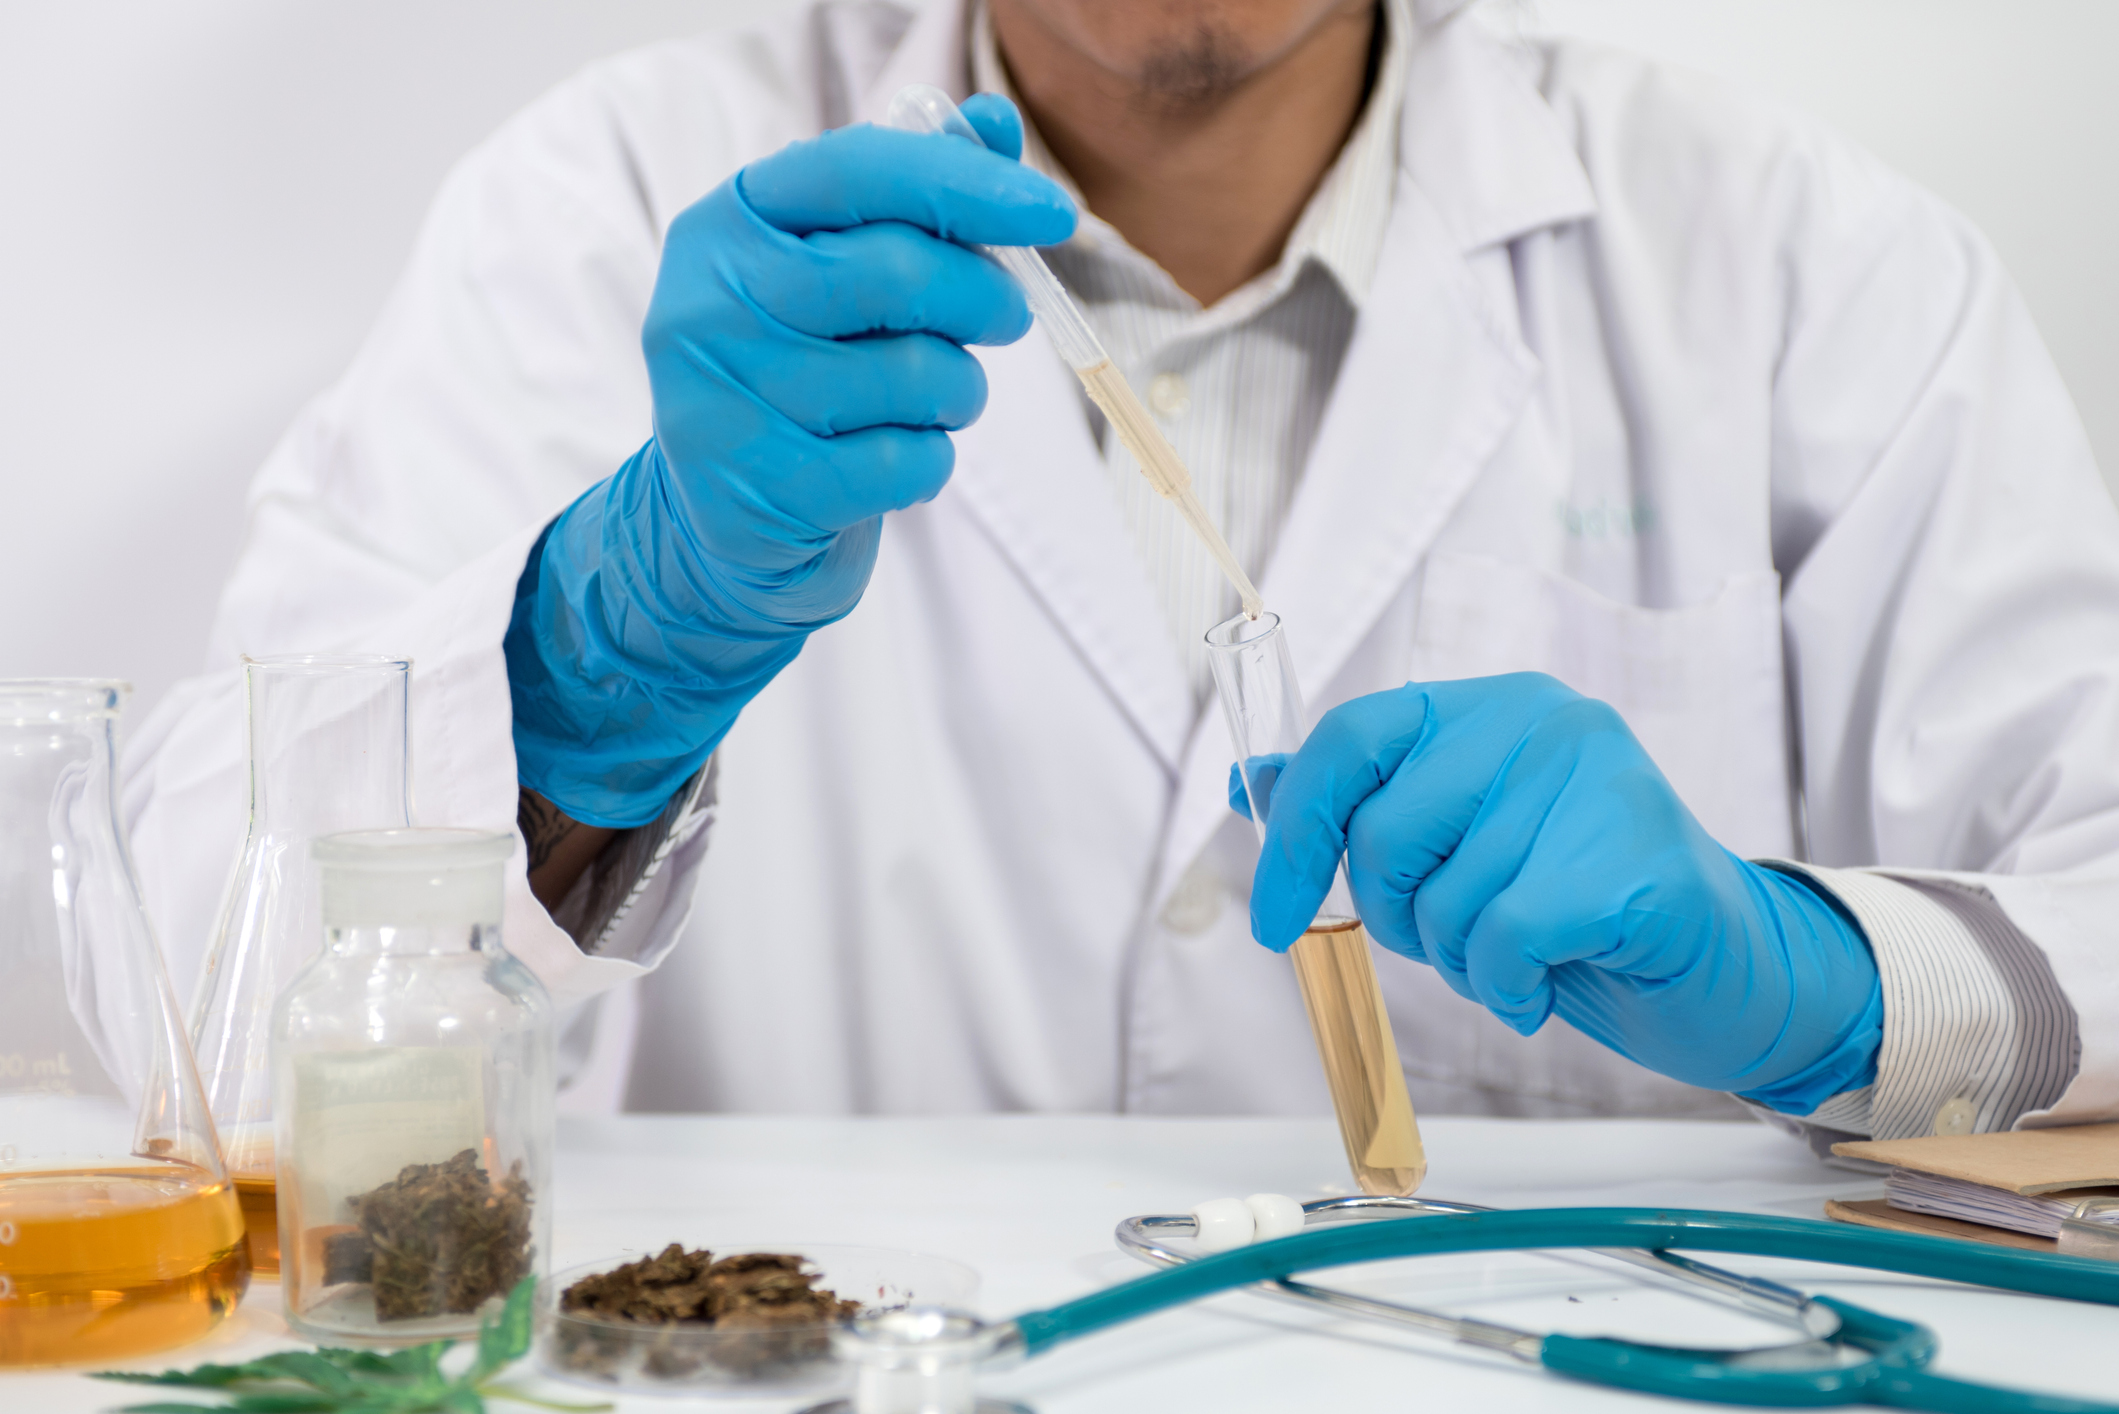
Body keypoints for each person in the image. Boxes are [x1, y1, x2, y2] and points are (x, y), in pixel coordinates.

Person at [125, 0, 2119, 1144]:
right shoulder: (599, 210)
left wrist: (1819, 979)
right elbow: (190, 1019)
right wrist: (590, 663)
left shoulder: (1803, 270)